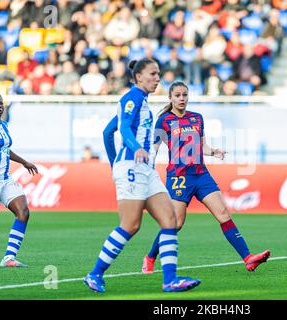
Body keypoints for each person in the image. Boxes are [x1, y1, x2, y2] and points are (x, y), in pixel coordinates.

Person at [84, 58, 200, 294]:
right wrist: (131, 151)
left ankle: (170, 280)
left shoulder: (143, 102)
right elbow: (123, 128)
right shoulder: (132, 98)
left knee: (171, 221)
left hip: (145, 169)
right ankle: (95, 274)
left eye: (158, 74)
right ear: (139, 77)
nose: (158, 78)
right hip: (132, 167)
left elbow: (108, 132)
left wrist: (114, 162)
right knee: (130, 225)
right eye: (153, 74)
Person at [143, 81, 270, 273]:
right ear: (170, 98)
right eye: (177, 95)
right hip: (179, 177)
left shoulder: (197, 118)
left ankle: (248, 258)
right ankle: (150, 257)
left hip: (201, 174)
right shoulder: (164, 121)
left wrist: (214, 151)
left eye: (184, 95)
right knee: (175, 224)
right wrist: (148, 171)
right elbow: (154, 148)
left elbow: (202, 146)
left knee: (223, 214)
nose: (182, 99)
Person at [0, 92, 38, 267]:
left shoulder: (4, 125)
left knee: (23, 212)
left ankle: (9, 258)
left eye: (0, 103)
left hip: (5, 179)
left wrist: (24, 162)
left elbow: (5, 149)